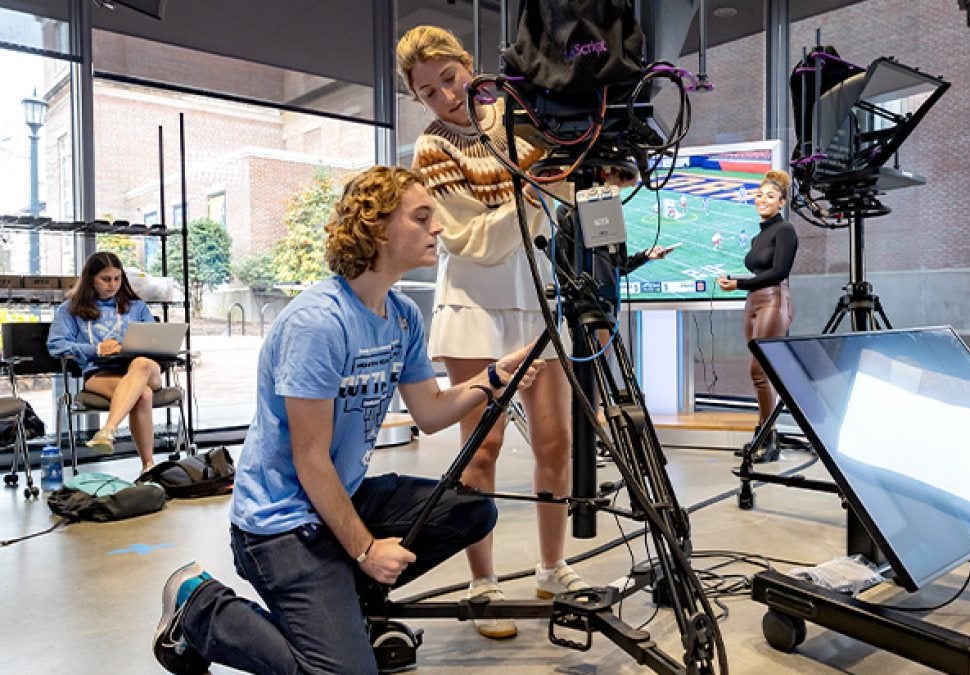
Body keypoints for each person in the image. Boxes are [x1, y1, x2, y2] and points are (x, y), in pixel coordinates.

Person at [152, 166, 543, 674]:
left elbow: (428, 413)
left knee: (472, 512)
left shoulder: (402, 316)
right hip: (280, 526)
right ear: (377, 228)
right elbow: (310, 458)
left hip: (342, 497)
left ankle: (337, 604)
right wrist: (364, 552)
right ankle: (200, 607)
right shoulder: (318, 323)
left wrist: (490, 378)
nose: (438, 228)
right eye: (422, 217)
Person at [397, 25, 585, 640]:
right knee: (484, 447)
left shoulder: (519, 115)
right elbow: (472, 240)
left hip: (532, 295)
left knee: (556, 441)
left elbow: (569, 190)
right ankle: (482, 583)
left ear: (467, 65)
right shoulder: (429, 150)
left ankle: (553, 568)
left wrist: (557, 183)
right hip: (473, 304)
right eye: (426, 91)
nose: (444, 96)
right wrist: (538, 193)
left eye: (448, 78)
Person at [47, 251, 163, 476]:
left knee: (141, 363)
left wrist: (128, 348)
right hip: (100, 372)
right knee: (143, 395)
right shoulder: (70, 309)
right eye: (106, 279)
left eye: (117, 279)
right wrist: (96, 350)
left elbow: (153, 338)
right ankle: (149, 466)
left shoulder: (136, 306)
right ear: (91, 279)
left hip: (145, 369)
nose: (113, 285)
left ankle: (108, 430)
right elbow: (57, 345)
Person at [717, 170, 799, 456]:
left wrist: (739, 283)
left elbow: (779, 272)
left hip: (774, 301)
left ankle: (768, 435)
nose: (763, 200)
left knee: (759, 369)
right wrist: (737, 281)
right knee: (759, 372)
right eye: (759, 195)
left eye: (770, 196)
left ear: (782, 202)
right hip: (753, 302)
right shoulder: (758, 236)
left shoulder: (785, 229)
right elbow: (761, 271)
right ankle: (765, 434)